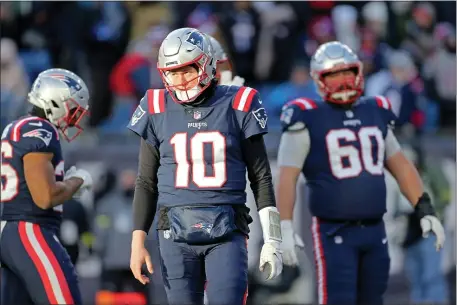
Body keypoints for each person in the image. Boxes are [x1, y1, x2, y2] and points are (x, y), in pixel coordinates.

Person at [276, 41, 445, 305]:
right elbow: (287, 176)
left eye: (347, 72)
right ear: (318, 79)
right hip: (334, 231)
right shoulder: (306, 116)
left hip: (375, 229)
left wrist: (424, 208)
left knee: (374, 300)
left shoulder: (374, 110)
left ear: (359, 72)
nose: (343, 81)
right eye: (333, 75)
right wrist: (283, 226)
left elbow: (400, 164)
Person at [127, 27, 283, 305]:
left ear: (207, 64)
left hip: (226, 229)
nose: (180, 79)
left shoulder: (238, 102)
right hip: (173, 233)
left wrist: (273, 238)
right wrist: (137, 241)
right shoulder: (154, 106)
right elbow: (146, 181)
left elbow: (261, 177)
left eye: (187, 70)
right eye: (173, 72)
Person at [0, 68, 93, 305]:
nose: (73, 118)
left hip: (11, 231)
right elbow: (45, 197)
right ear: (56, 101)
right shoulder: (40, 129)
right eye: (72, 109)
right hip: (29, 230)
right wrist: (77, 181)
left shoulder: (16, 127)